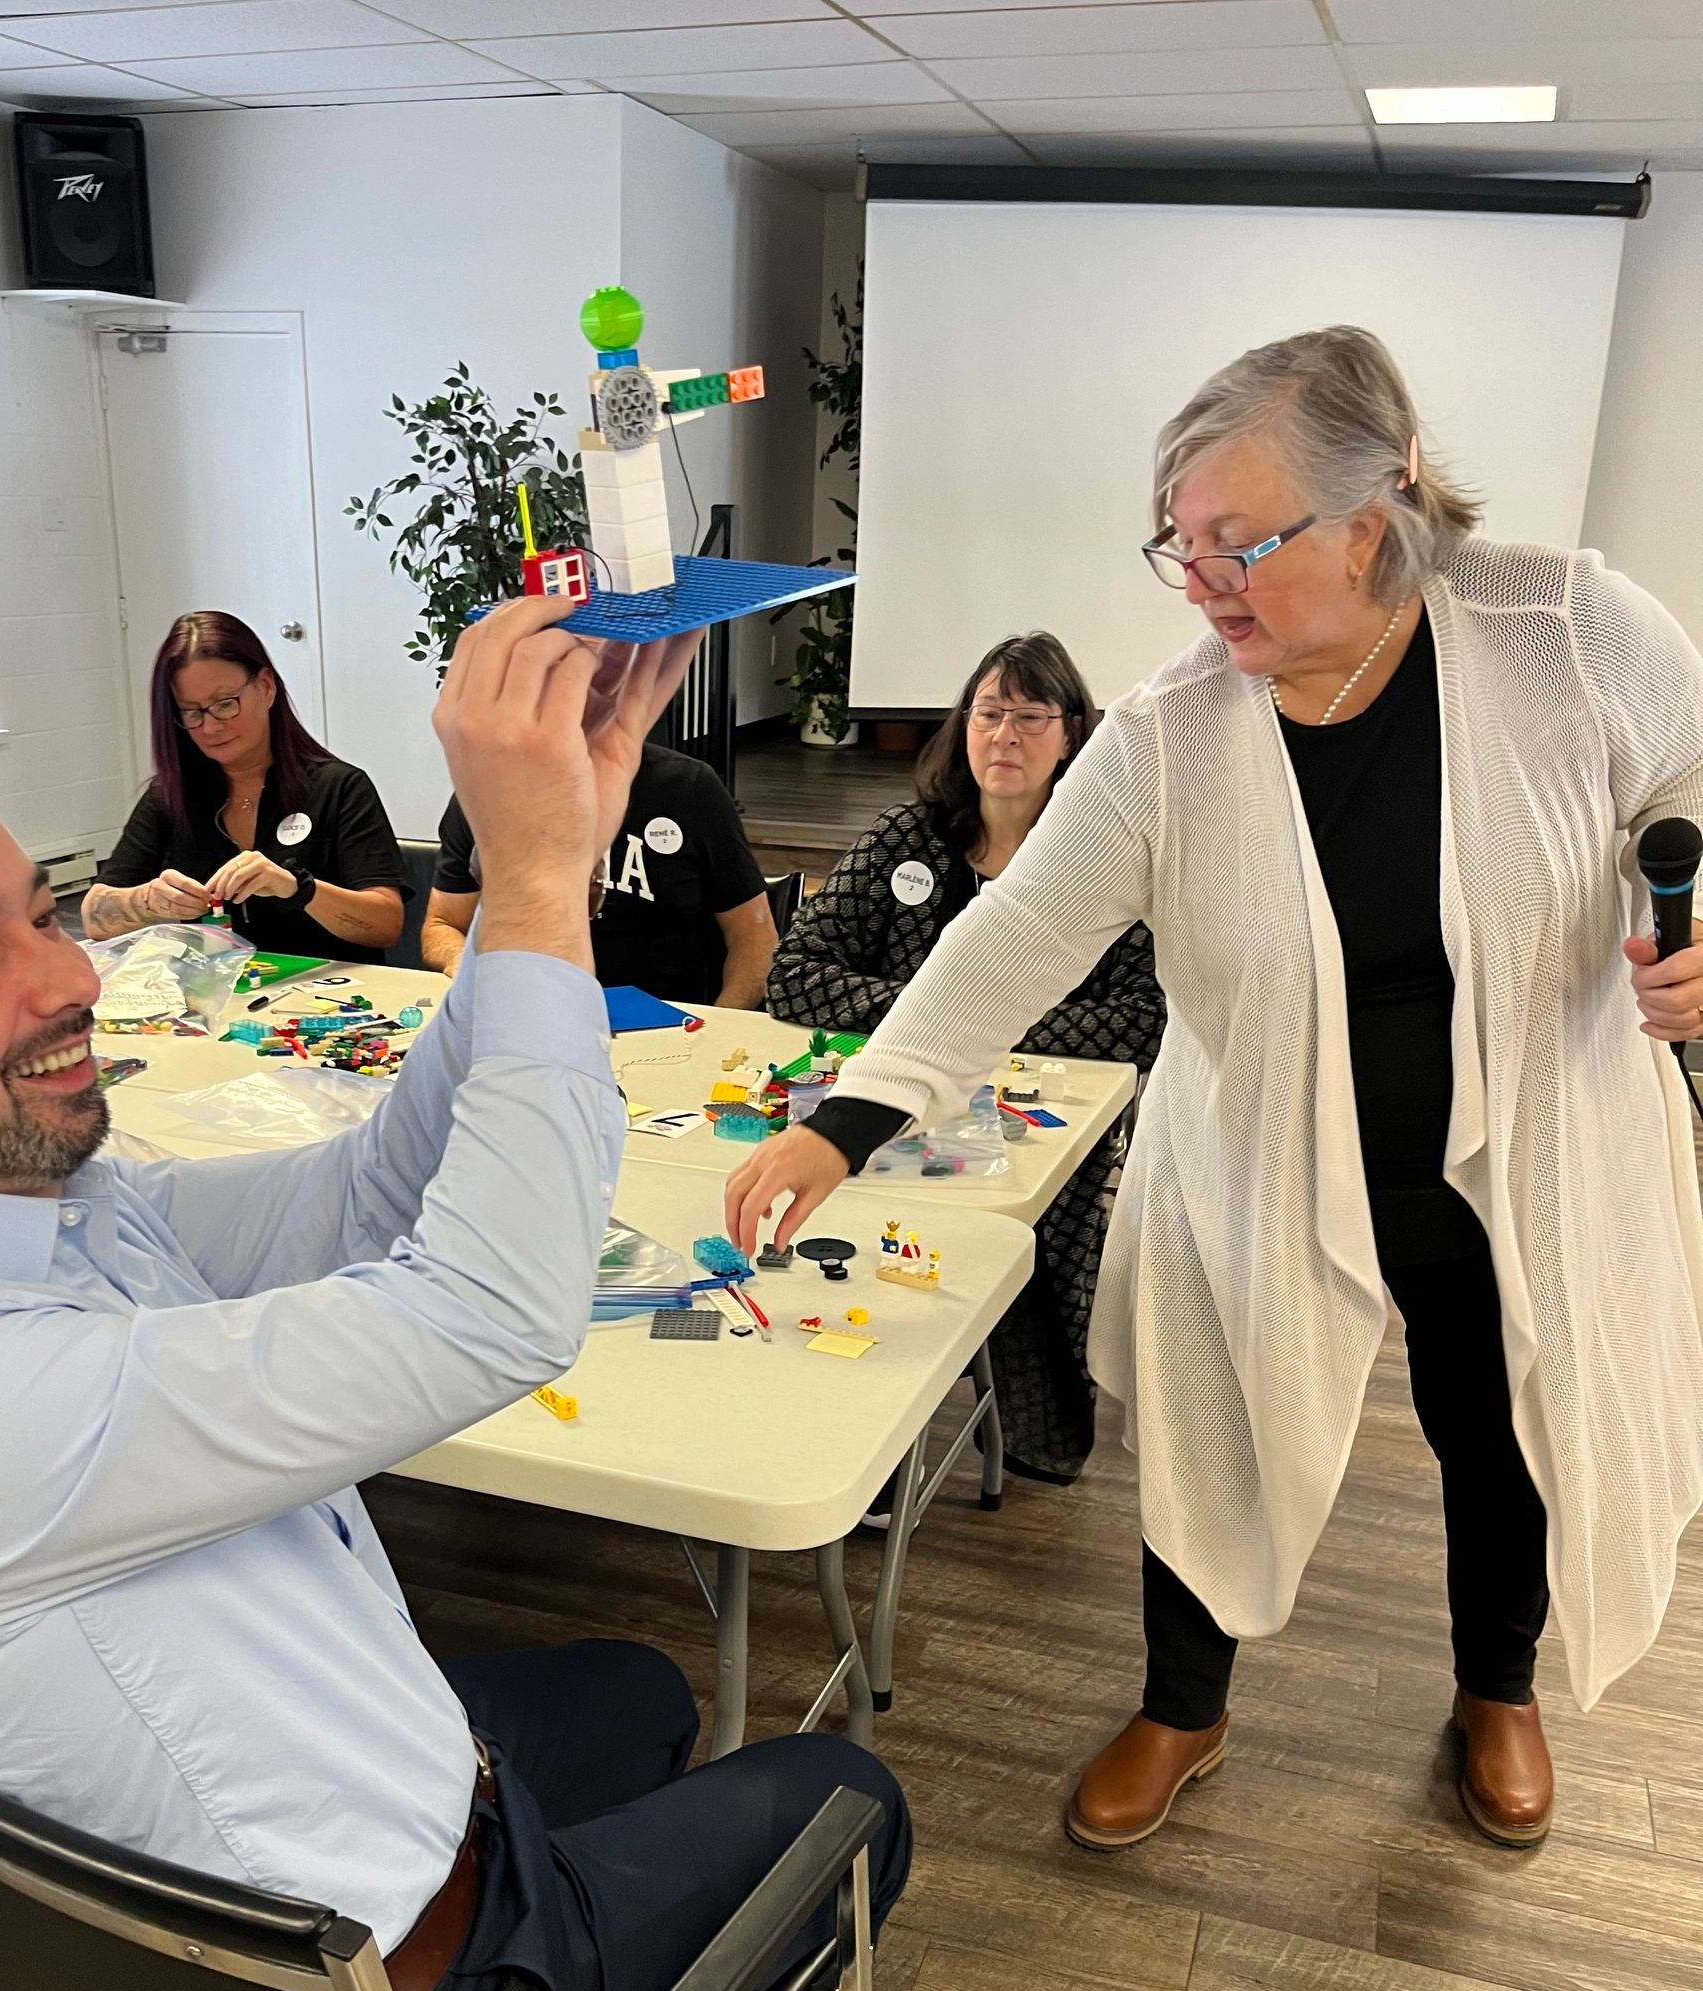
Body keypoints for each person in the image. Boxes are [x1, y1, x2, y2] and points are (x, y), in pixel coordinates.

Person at [0, 603, 912, 1991]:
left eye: (39, 907)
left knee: (636, 1689)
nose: (70, 973)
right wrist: (535, 889)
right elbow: (481, 1305)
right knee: (843, 1799)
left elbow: (365, 1200)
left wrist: (542, 886)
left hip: (273, 1877)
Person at [727, 324, 1703, 1856]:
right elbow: (1025, 930)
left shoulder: (1565, 625)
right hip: (1259, 1148)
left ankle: (1496, 1689)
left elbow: (1692, 777)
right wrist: (848, 1118)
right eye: (1179, 546)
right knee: (1213, 1417)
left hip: (1515, 1144)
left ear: (1379, 512)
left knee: (1499, 1412)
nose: (1201, 585)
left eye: (1238, 545)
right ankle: (1185, 1704)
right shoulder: (1175, 732)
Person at [766, 632, 1163, 1485]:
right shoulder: (907, 836)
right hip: (883, 1107)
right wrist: (929, 1032)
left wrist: (972, 1028)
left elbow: (1144, 1022)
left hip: (1047, 1116)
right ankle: (837, 1416)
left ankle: (1037, 1433)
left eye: (1029, 718)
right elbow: (792, 976)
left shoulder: (1106, 856)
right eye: (989, 715)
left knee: (1040, 1222)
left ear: (1072, 735)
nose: (1005, 737)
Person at [83, 612, 408, 962]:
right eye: (192, 712)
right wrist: (148, 901)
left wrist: (297, 889)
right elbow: (92, 917)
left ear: (266, 688)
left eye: (225, 704)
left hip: (328, 1002)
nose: (210, 728)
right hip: (218, 998)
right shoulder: (170, 797)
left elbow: (385, 923)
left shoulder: (338, 788)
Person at [426, 732, 779, 1007]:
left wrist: (721, 1025)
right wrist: (464, 965)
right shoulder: (486, 791)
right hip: (528, 1015)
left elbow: (753, 936)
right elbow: (443, 923)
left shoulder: (689, 788)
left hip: (668, 1023)